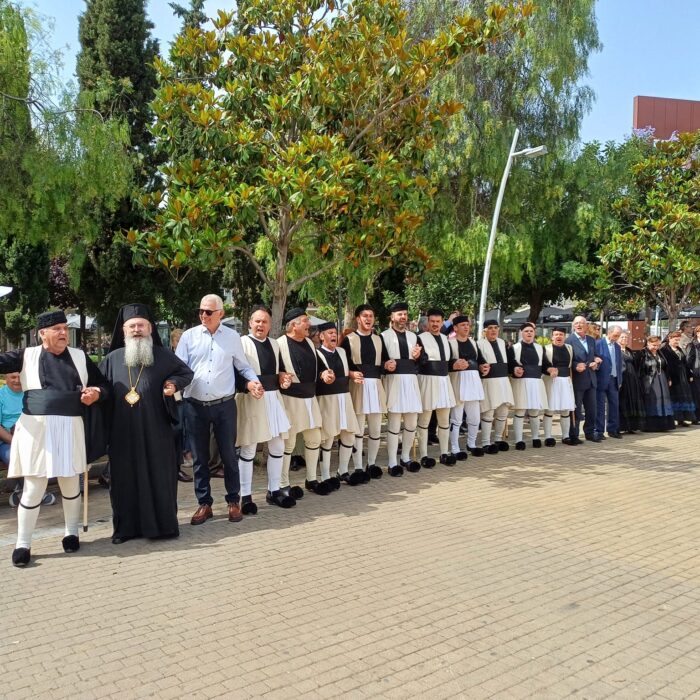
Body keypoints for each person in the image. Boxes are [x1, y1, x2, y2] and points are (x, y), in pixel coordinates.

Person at [0, 310, 108, 567]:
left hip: (70, 426)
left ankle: (71, 533)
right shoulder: (25, 355)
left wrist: (96, 393)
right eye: (57, 329)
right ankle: (23, 544)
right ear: (42, 333)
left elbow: (104, 385)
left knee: (70, 483)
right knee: (34, 486)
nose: (63, 333)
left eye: (64, 328)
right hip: (36, 430)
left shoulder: (80, 357)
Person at [101, 304, 194, 544]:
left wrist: (173, 384)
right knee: (124, 480)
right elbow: (100, 388)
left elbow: (186, 373)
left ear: (150, 328)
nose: (137, 330)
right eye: (132, 326)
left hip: (157, 430)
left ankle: (163, 527)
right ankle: (125, 529)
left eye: (141, 325)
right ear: (123, 331)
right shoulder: (111, 360)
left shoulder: (163, 356)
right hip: (122, 433)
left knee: (159, 477)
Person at [176, 294, 263, 526]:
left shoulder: (232, 337)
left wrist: (253, 382)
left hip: (224, 405)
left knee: (229, 456)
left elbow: (243, 367)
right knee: (199, 458)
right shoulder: (189, 336)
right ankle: (204, 503)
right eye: (201, 311)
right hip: (194, 406)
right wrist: (173, 385)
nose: (203, 315)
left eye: (208, 312)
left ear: (220, 314)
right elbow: (179, 368)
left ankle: (233, 501)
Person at [236, 306, 295, 510]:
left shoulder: (274, 344)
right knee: (249, 448)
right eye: (257, 321)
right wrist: (247, 385)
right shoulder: (241, 343)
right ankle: (245, 496)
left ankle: (274, 491)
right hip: (251, 398)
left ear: (270, 325)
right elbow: (234, 372)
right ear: (250, 323)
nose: (261, 325)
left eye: (265, 321)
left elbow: (279, 371)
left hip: (273, 398)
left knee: (278, 446)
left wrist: (284, 378)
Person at [278, 308, 331, 496]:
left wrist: (325, 374)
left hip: (310, 398)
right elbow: (276, 371)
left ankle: (311, 479)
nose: (309, 324)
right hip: (290, 399)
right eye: (305, 321)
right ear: (294, 325)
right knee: (289, 443)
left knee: (314, 438)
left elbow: (320, 367)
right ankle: (283, 484)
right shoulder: (279, 344)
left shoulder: (309, 343)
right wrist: (281, 377)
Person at [340, 304, 387, 484]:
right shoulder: (349, 340)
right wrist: (351, 373)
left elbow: (384, 362)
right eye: (365, 316)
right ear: (358, 319)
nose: (368, 319)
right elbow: (343, 363)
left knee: (375, 429)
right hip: (358, 386)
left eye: (371, 316)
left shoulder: (378, 339)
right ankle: (358, 466)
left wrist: (388, 365)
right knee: (358, 430)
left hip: (375, 385)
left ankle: (372, 464)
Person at [316, 322, 361, 488]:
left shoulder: (342, 351)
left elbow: (348, 368)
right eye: (329, 333)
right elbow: (316, 374)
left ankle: (343, 471)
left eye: (335, 332)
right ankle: (325, 476)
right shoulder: (317, 354)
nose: (333, 335)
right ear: (321, 336)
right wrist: (323, 375)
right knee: (327, 439)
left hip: (344, 397)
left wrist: (353, 374)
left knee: (349, 435)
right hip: (326, 399)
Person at [2, 372, 57, 508]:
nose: (17, 380)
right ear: (5, 378)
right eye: (13, 377)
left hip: (35, 437)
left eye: (20, 377)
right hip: (8, 440)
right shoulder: (1, 396)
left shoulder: (33, 393)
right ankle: (36, 493)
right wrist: (15, 441)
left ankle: (24, 492)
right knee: (15, 455)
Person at [381, 302, 423, 476]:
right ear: (392, 317)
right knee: (394, 423)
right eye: (399, 314)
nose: (403, 317)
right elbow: (380, 361)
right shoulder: (383, 336)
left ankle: (405, 457)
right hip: (394, 381)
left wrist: (418, 356)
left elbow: (422, 361)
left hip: (411, 381)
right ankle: (392, 462)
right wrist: (385, 365)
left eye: (405, 314)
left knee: (412, 423)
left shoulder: (414, 336)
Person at [416, 308, 456, 466]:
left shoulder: (446, 339)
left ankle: (444, 453)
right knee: (424, 420)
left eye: (438, 321)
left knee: (444, 420)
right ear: (427, 321)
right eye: (432, 321)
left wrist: (456, 364)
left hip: (444, 381)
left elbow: (448, 362)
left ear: (442, 322)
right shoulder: (420, 338)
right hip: (427, 380)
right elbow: (418, 361)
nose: (435, 324)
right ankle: (424, 456)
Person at [508, 322, 554, 450]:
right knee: (520, 411)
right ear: (521, 333)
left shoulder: (540, 348)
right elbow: (510, 364)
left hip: (536, 382)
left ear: (534, 333)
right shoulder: (514, 348)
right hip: (520, 382)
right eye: (526, 331)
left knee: (535, 411)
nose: (529, 333)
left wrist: (550, 369)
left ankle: (535, 438)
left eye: (531, 331)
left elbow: (545, 365)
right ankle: (519, 440)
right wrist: (515, 369)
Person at [448, 315, 485, 459]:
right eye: (462, 325)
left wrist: (483, 366)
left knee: (475, 417)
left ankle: (472, 444)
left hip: (474, 382)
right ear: (455, 328)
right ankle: (455, 448)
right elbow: (447, 362)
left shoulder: (473, 343)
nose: (466, 327)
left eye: (467, 325)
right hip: (458, 381)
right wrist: (454, 364)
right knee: (456, 418)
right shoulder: (450, 343)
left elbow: (480, 360)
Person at [477, 320, 514, 454]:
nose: (493, 330)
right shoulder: (479, 344)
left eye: (495, 328)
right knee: (488, 412)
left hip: (503, 380)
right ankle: (486, 442)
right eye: (490, 328)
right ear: (485, 330)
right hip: (489, 381)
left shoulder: (502, 343)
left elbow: (510, 361)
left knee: (503, 411)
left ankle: (498, 439)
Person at [566, 316, 601, 443]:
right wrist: (576, 366)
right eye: (576, 323)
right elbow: (566, 360)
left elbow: (594, 355)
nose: (579, 325)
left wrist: (596, 362)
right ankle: (574, 435)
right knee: (576, 409)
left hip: (591, 379)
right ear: (573, 326)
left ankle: (590, 433)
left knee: (592, 409)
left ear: (586, 326)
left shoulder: (591, 340)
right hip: (577, 380)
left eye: (581, 323)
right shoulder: (569, 341)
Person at [542, 327, 577, 446]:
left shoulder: (569, 348)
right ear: (552, 336)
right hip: (551, 381)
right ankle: (548, 437)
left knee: (566, 410)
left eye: (561, 334)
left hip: (566, 381)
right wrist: (549, 370)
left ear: (564, 336)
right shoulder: (546, 348)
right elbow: (543, 366)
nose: (558, 336)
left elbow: (572, 364)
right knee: (550, 410)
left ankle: (566, 436)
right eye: (556, 334)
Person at [170, 328, 193, 483]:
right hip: (174, 398)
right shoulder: (169, 357)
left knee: (188, 427)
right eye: (178, 340)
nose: (181, 343)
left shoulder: (188, 355)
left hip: (187, 396)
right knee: (177, 429)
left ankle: (186, 454)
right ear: (173, 342)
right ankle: (176, 464)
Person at [639, 336, 675, 432]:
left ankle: (663, 425)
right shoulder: (642, 353)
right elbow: (640, 369)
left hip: (661, 379)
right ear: (648, 343)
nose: (656, 347)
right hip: (650, 379)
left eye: (658, 345)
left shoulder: (660, 352)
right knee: (652, 400)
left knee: (663, 400)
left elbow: (665, 366)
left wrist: (668, 378)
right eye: (654, 345)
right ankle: (651, 426)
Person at [660, 331, 696, 427]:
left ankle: (683, 418)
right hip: (673, 376)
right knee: (674, 398)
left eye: (678, 340)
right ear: (669, 339)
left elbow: (685, 363)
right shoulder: (664, 350)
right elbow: (665, 366)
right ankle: (675, 418)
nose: (677, 342)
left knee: (683, 398)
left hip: (682, 376)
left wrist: (689, 374)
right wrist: (668, 378)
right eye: (675, 340)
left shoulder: (679, 349)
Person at [594, 325, 624, 439]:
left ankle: (613, 429)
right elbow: (593, 359)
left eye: (618, 336)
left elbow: (619, 363)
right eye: (615, 335)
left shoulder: (617, 346)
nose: (617, 338)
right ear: (609, 333)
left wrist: (619, 379)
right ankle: (599, 431)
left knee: (614, 405)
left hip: (614, 379)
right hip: (601, 379)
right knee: (600, 406)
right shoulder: (598, 344)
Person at [617, 330, 645, 433]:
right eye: (622, 337)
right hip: (623, 377)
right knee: (623, 400)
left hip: (632, 378)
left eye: (626, 337)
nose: (624, 339)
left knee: (632, 401)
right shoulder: (616, 350)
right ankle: (622, 426)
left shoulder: (629, 350)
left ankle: (631, 426)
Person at [685, 324, 700, 423]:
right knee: (697, 395)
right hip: (696, 374)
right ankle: (696, 417)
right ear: (698, 333)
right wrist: (690, 374)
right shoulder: (692, 345)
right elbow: (688, 361)